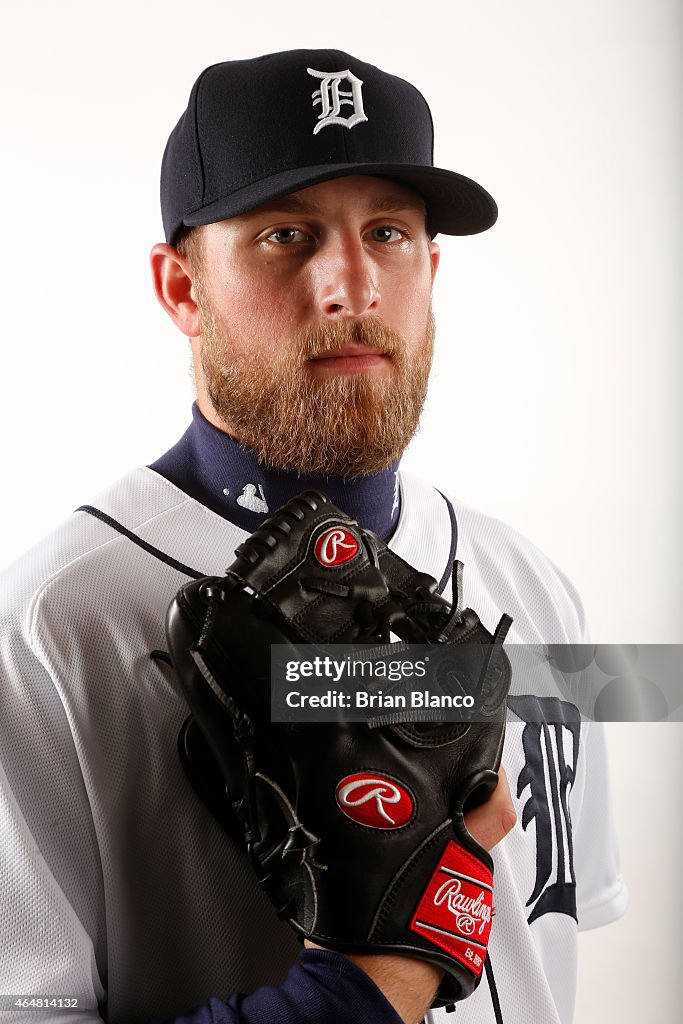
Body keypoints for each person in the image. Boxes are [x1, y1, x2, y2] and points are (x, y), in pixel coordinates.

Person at [0, 49, 626, 1024]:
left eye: (387, 232)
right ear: (180, 289)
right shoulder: (43, 631)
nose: (352, 284)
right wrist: (368, 979)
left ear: (431, 267)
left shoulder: (531, 584)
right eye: (287, 235)